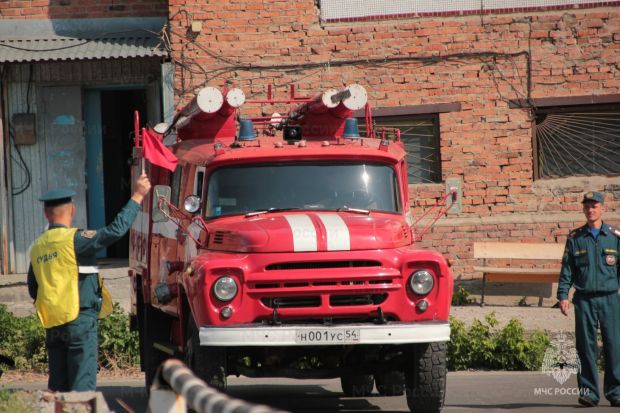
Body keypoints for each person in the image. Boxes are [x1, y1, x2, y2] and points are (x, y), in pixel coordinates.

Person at [27, 173, 151, 392]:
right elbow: (115, 230)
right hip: (79, 321)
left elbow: (33, 288)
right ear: (73, 210)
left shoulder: (37, 247)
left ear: (46, 214)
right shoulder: (76, 240)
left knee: (58, 390)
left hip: (52, 324)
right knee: (82, 390)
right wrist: (138, 196)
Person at [557, 191, 620, 407]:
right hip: (583, 299)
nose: (590, 210)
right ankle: (589, 393)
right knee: (585, 347)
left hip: (610, 298)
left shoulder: (614, 236)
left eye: (594, 206)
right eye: (587, 207)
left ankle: (616, 392)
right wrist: (563, 295)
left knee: (614, 345)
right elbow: (567, 269)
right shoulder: (575, 238)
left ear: (603, 208)